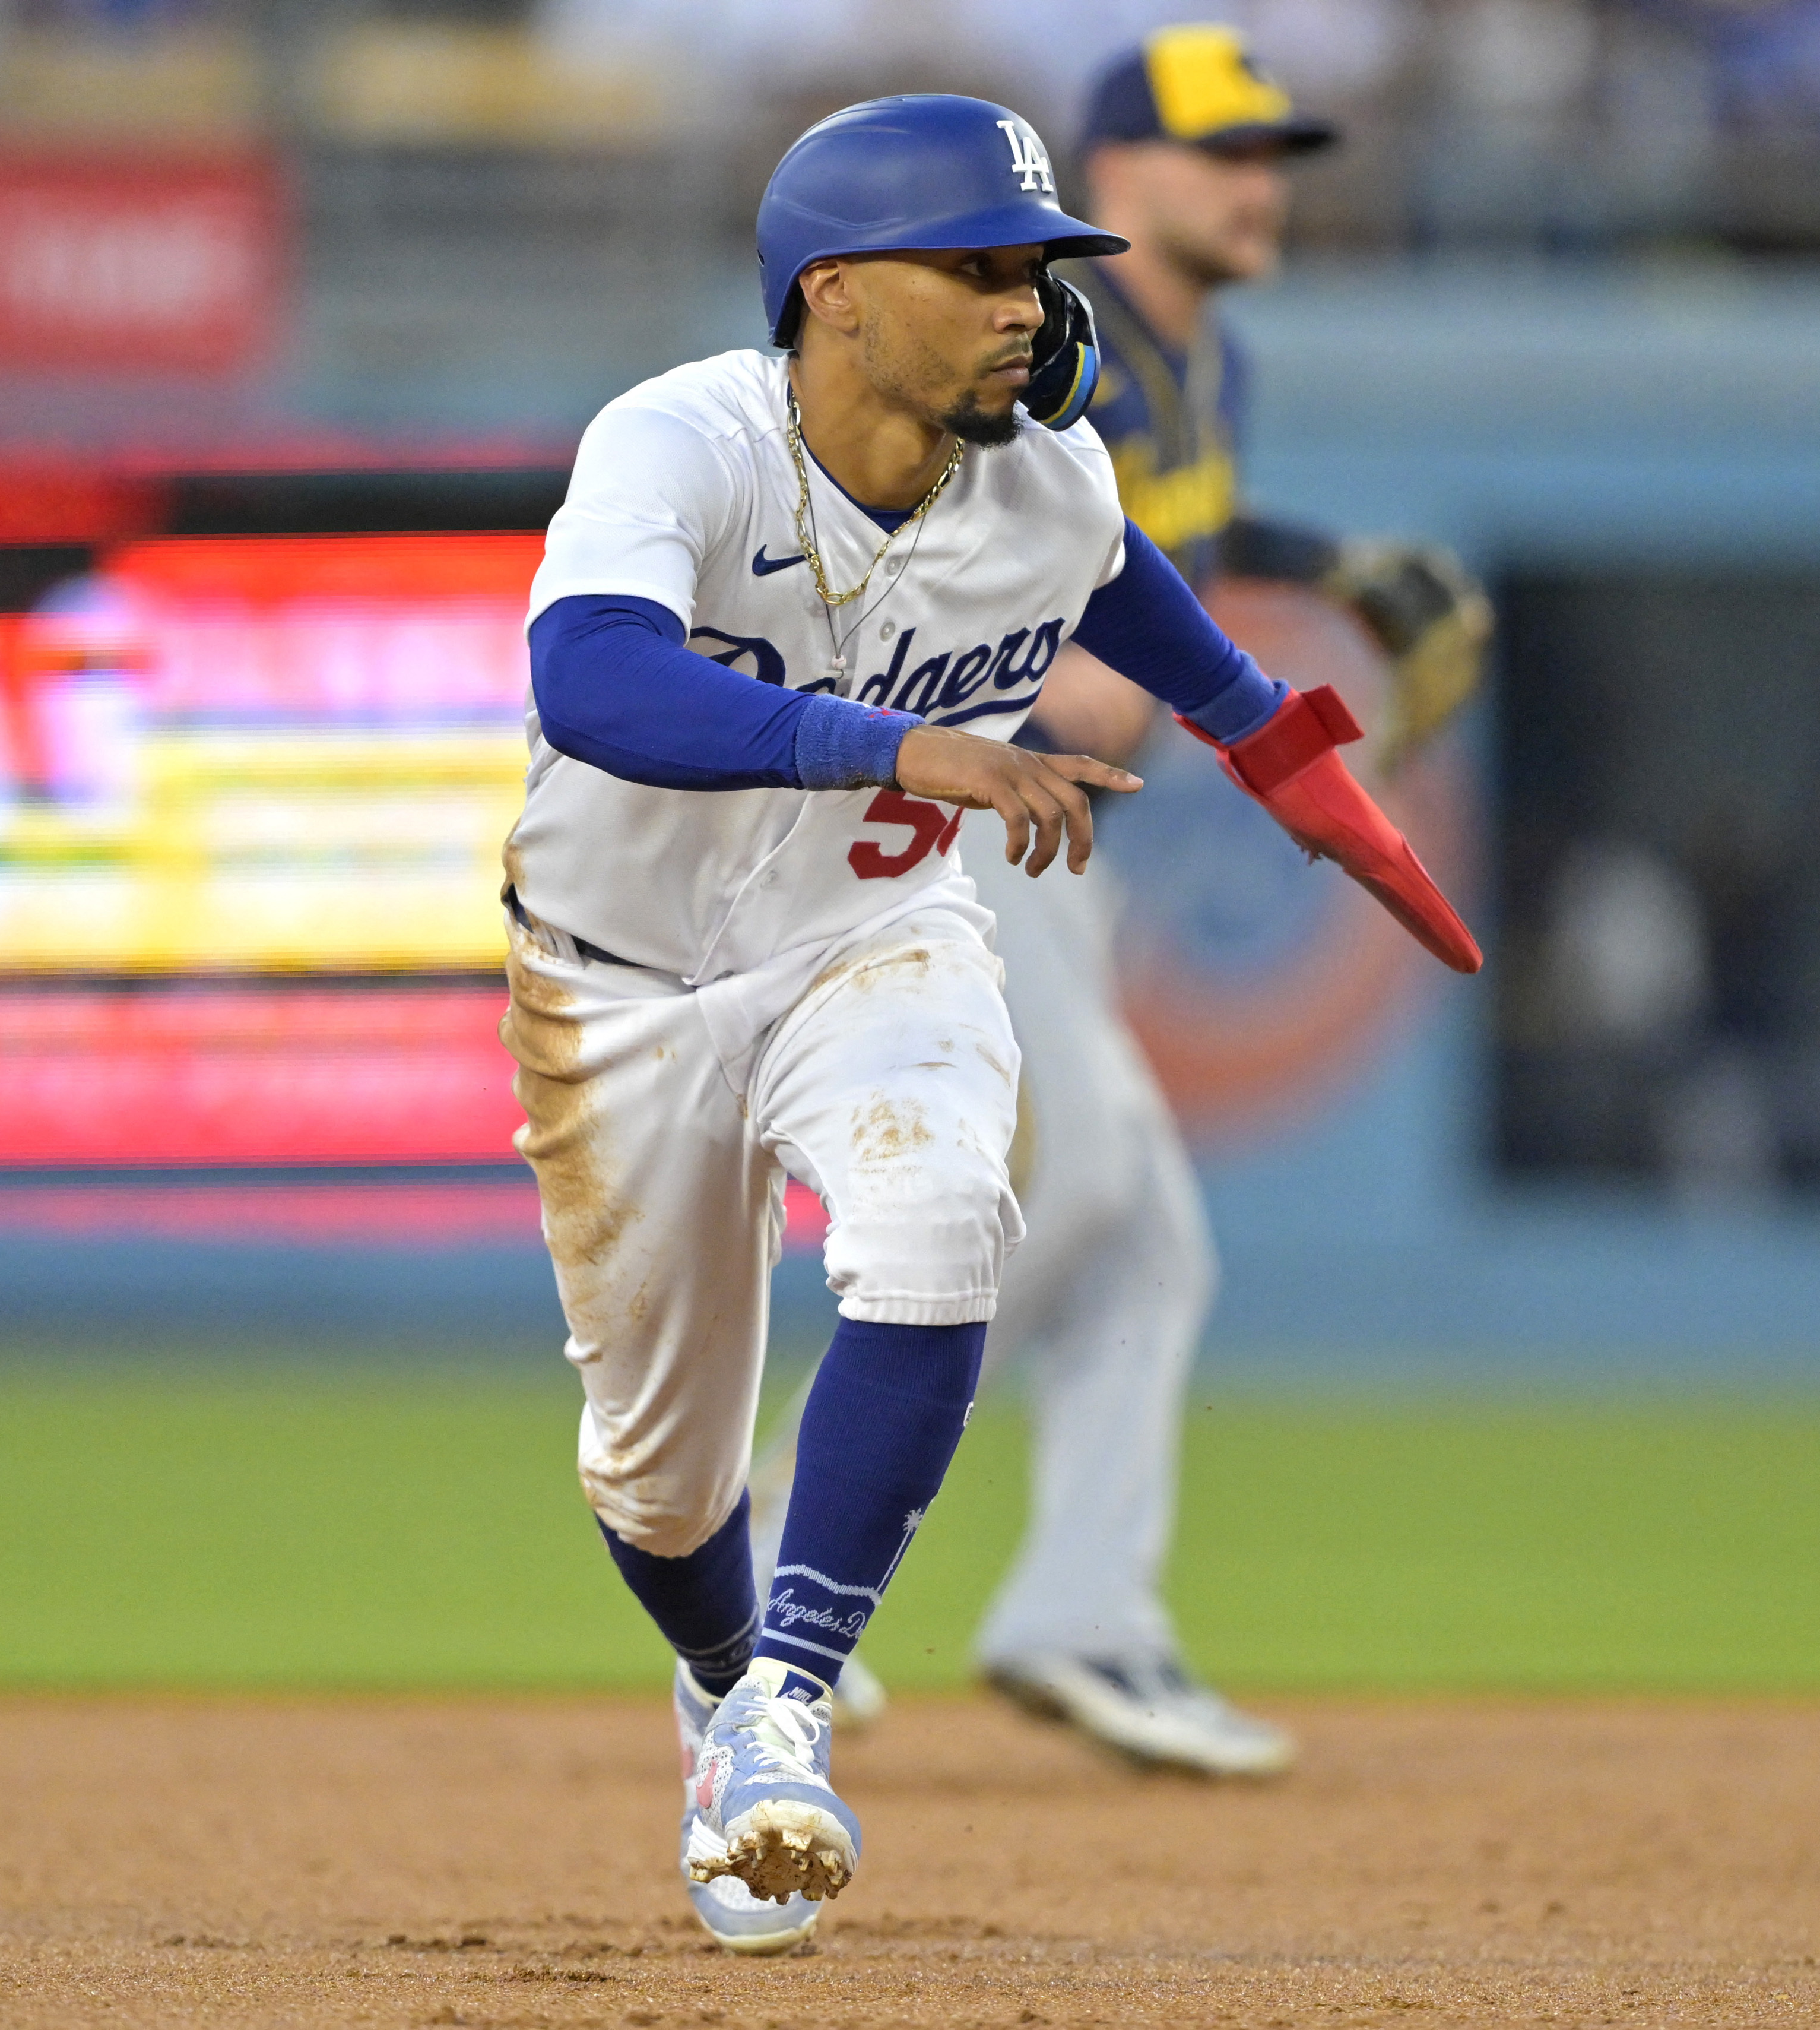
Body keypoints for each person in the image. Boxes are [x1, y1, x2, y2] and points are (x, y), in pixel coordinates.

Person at [504, 91, 1476, 1958]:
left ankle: (792, 1695)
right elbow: (591, 678)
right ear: (840, 292)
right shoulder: (684, 442)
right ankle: (725, 1683)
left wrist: (1349, 826)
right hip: (615, 981)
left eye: (1039, 265)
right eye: (980, 264)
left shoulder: (1052, 488)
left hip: (878, 934)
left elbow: (1230, 688)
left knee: (951, 1216)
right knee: (653, 1469)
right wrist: (908, 744)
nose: (1029, 302)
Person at [740, 23, 1492, 1779]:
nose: (1260, 186)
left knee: (1141, 1237)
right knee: (1080, 1204)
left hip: (1038, 849)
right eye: (1225, 156)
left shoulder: (1194, 365)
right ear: (1117, 179)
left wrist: (1320, 568)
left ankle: (1063, 1611)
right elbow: (970, 541)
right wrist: (1037, 684)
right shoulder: (1056, 363)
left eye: (1274, 158)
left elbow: (1160, 550)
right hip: (968, 826)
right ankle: (778, 1573)